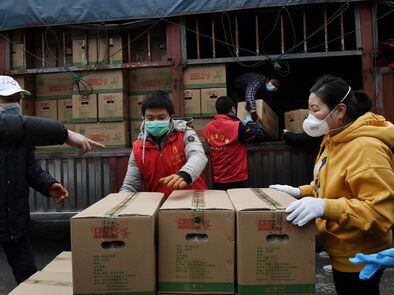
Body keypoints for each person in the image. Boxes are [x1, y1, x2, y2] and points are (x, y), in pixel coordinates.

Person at [270, 75, 394, 295]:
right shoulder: (334, 140)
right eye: (309, 109)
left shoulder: (365, 148)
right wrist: (299, 192)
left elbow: (380, 212)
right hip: (341, 251)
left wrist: (325, 207)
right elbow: (329, 184)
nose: (310, 117)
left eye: (315, 109)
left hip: (361, 256)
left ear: (339, 111)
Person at [0, 76, 104, 285]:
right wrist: (64, 134)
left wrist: (48, 184)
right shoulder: (16, 127)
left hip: (15, 221)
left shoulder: (22, 136)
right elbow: (12, 124)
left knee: (29, 279)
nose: (14, 104)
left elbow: (30, 168)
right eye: (6, 99)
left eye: (17, 98)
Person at [120, 90, 207, 198]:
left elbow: (198, 155)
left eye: (161, 118)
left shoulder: (185, 133)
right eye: (150, 118)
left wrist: (186, 174)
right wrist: (120, 204)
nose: (155, 122)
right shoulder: (138, 148)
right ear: (143, 118)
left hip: (193, 202)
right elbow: (130, 186)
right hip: (160, 207)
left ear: (171, 116)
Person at [204, 96, 265, 190]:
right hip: (236, 180)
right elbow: (259, 135)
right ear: (232, 109)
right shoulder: (236, 126)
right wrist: (249, 123)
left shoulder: (207, 128)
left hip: (218, 180)